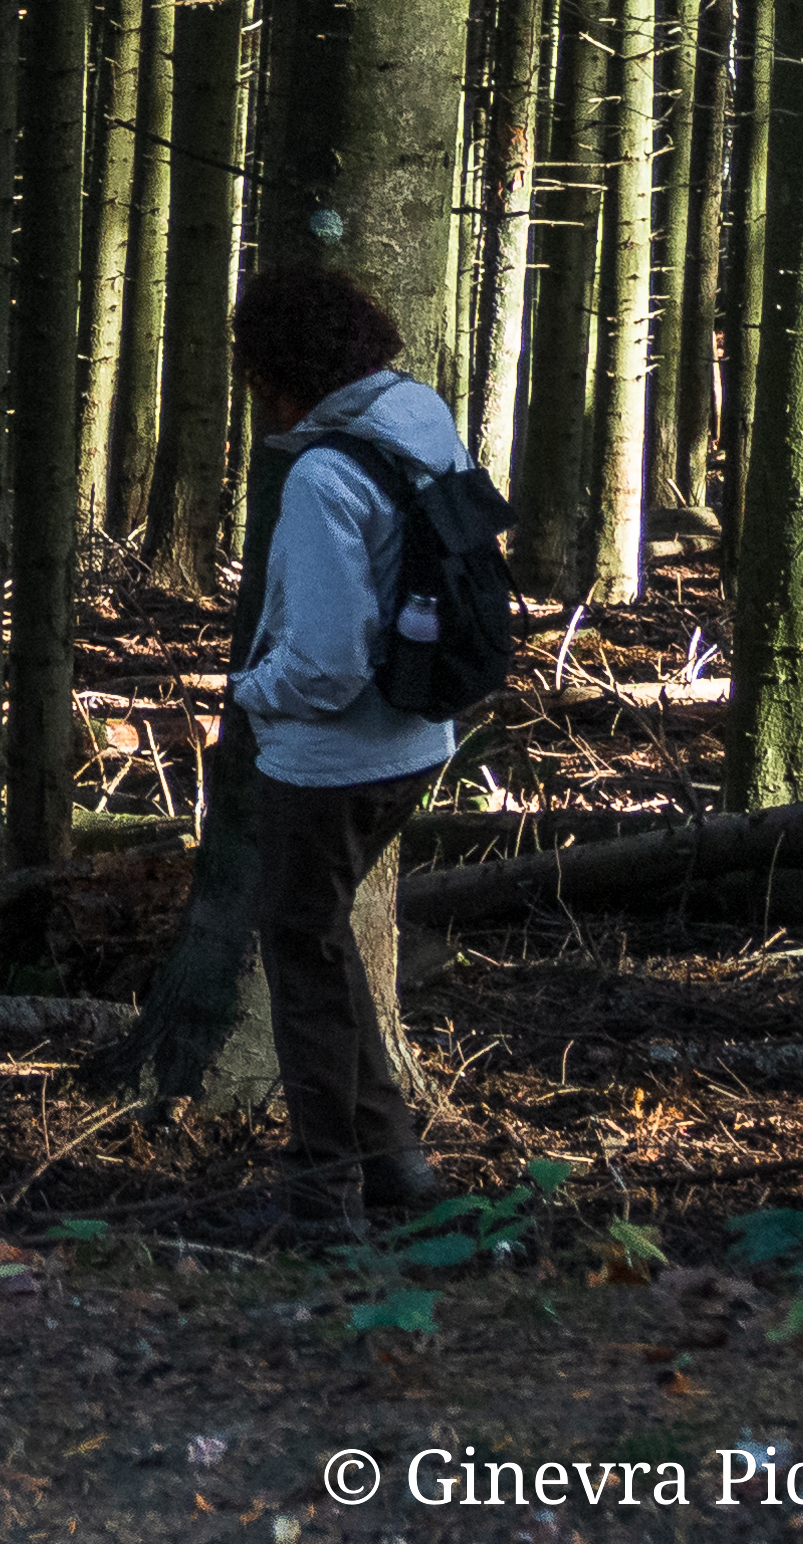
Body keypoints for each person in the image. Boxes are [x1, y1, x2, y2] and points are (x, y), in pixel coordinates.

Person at [226, 264, 468, 1240]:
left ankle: (323, 1196)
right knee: (319, 943)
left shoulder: (324, 474)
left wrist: (250, 693)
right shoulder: (419, 418)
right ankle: (394, 1165)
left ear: (278, 369)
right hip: (417, 737)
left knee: (303, 962)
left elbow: (324, 660)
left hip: (334, 757)